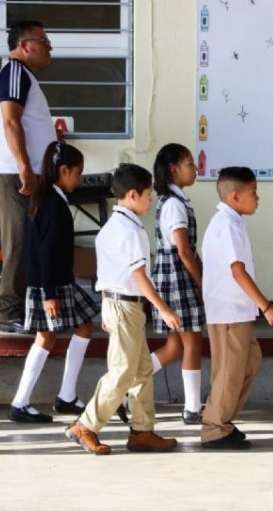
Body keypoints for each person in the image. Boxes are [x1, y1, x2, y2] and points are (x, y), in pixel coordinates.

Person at [65, 164, 181, 455]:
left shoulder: (112, 227)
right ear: (132, 195)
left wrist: (108, 309)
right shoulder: (131, 231)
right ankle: (86, 425)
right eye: (147, 194)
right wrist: (164, 309)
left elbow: (107, 273)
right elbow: (139, 276)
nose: (150, 199)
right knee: (123, 371)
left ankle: (142, 431)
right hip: (126, 305)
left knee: (141, 370)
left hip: (118, 304)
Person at [8, 142, 100, 423]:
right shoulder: (53, 204)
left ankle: (67, 396)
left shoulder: (48, 197)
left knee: (84, 325)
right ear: (64, 170)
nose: (80, 179)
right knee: (46, 337)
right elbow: (45, 252)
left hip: (58, 282)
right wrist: (49, 294)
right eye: (78, 172)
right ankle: (20, 402)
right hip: (50, 285)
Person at [200, 167, 273, 450]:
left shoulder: (234, 222)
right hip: (228, 310)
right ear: (235, 196)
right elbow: (238, 271)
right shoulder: (225, 225)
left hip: (238, 310)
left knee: (248, 362)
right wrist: (266, 306)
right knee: (228, 370)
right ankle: (214, 427)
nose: (257, 199)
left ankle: (223, 420)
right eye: (253, 193)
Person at [0, 20, 63, 333]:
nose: (49, 48)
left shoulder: (25, 78)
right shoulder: (16, 72)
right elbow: (11, 121)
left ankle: (27, 309)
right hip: (16, 174)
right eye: (43, 41)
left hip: (31, 173)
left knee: (34, 240)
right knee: (19, 241)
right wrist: (23, 166)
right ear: (24, 45)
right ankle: (9, 312)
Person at [148, 144, 205, 424]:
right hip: (176, 275)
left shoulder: (176, 201)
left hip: (173, 274)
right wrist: (201, 282)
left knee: (175, 347)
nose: (195, 169)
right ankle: (192, 408)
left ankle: (124, 391)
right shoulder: (173, 204)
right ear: (173, 169)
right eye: (190, 164)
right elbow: (184, 251)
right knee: (193, 339)